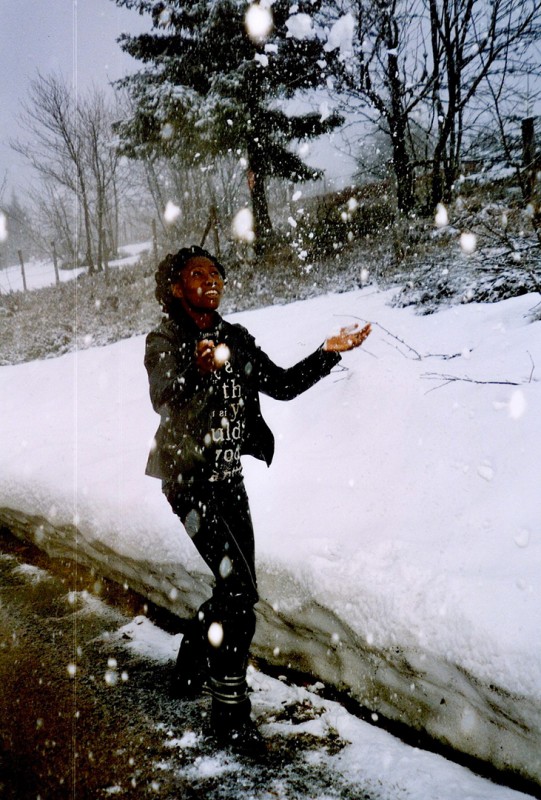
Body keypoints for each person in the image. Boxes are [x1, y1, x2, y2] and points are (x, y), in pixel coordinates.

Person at [144, 245, 371, 754]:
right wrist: (195, 370)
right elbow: (164, 395)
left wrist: (329, 352)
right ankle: (229, 711)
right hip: (188, 484)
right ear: (177, 288)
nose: (210, 280)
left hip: (229, 483)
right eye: (196, 274)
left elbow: (283, 385)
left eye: (215, 272)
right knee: (241, 597)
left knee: (236, 591)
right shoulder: (165, 340)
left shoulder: (234, 339)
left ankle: (192, 657)